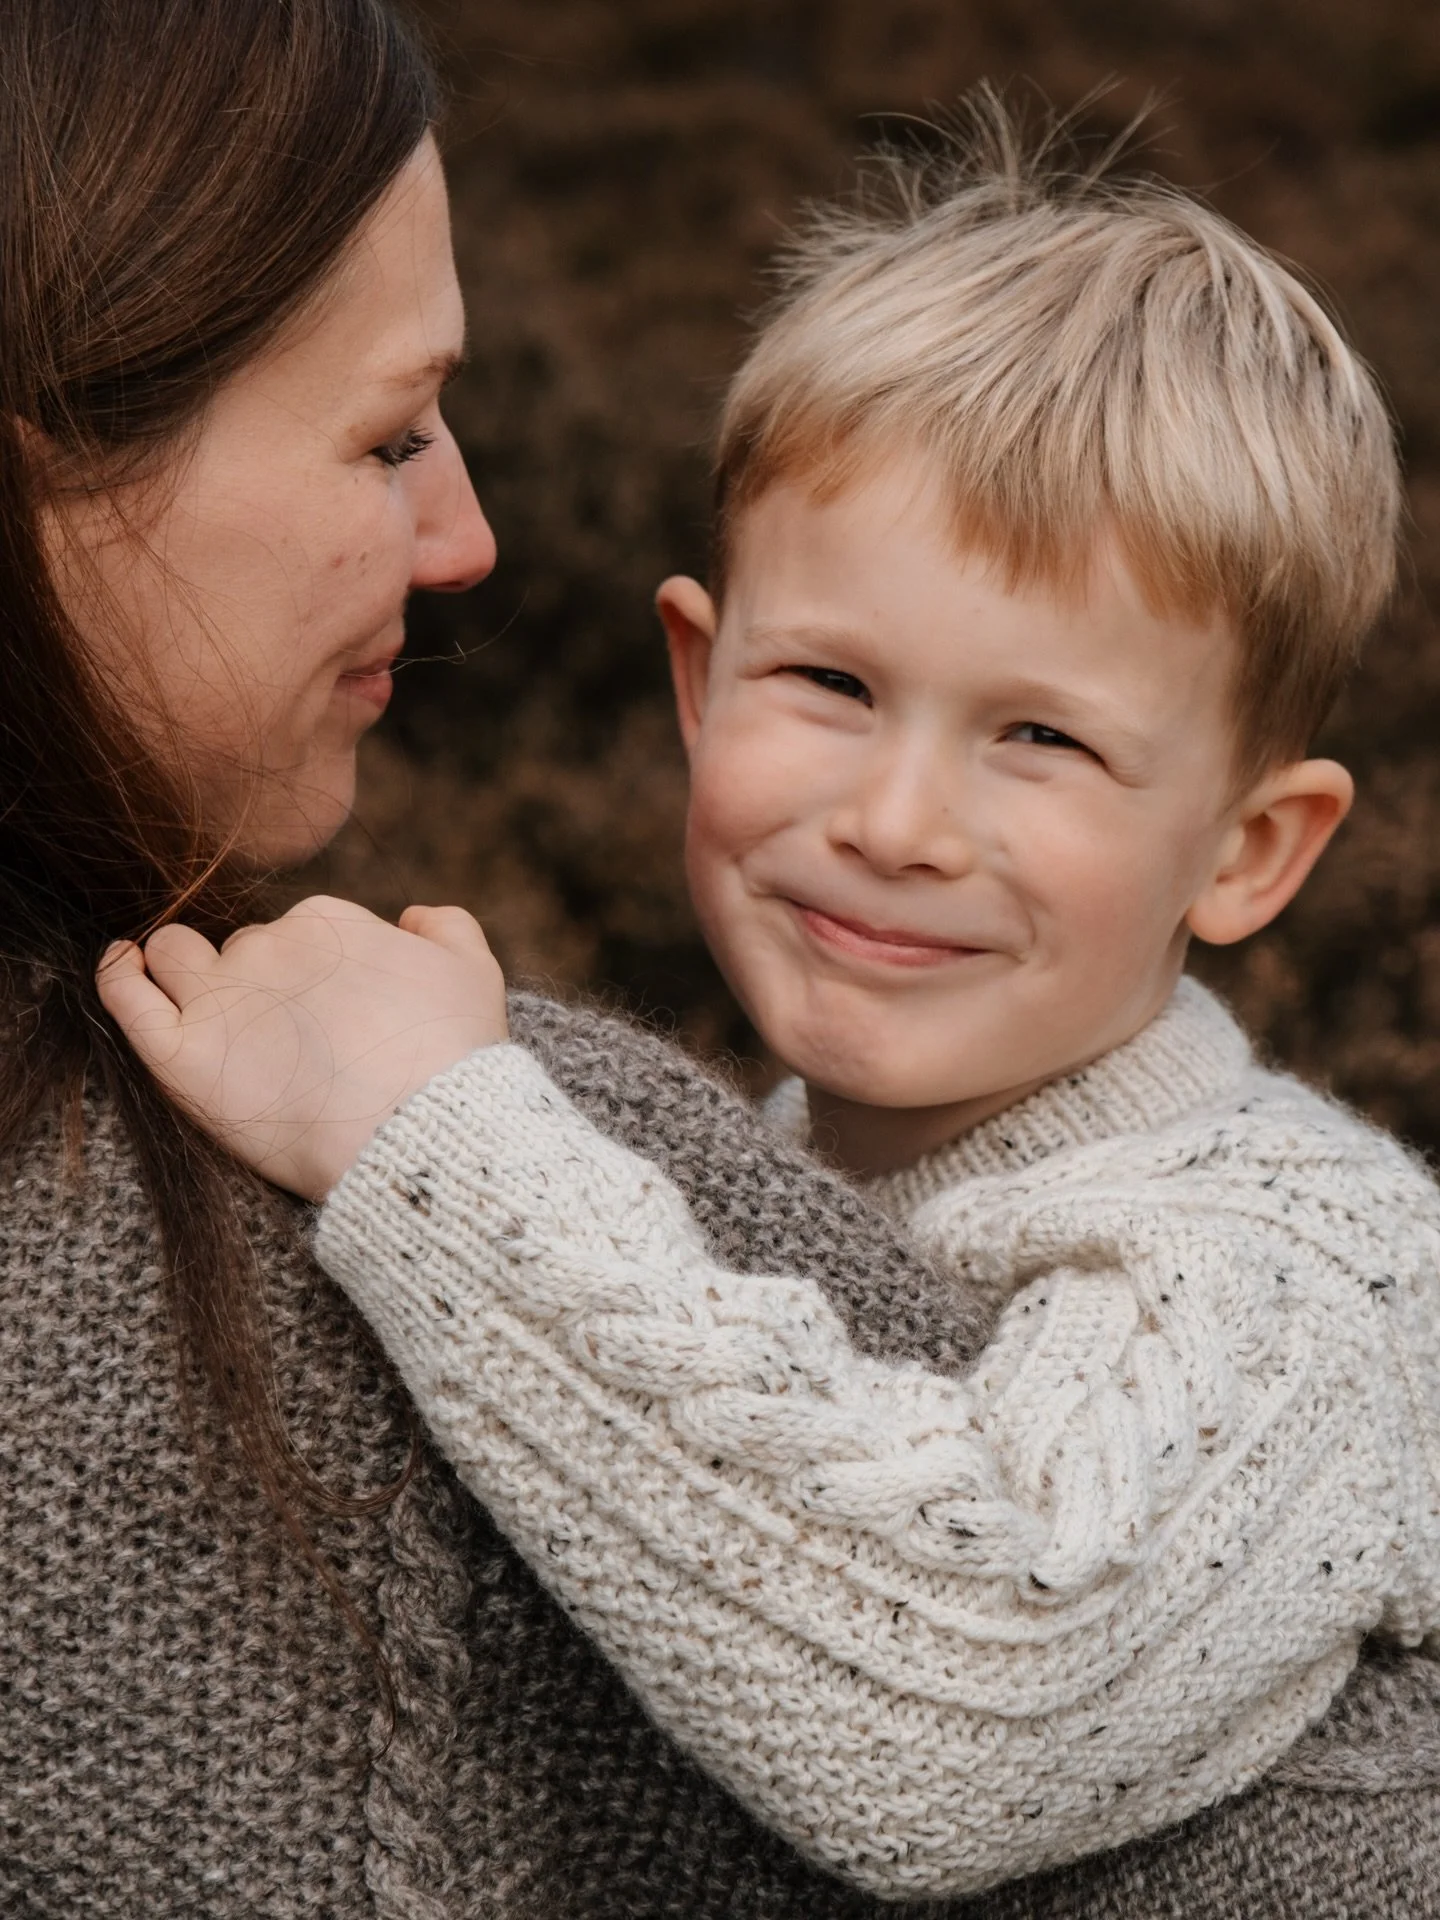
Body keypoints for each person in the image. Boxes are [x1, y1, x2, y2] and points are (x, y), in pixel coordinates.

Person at [101, 99, 1440, 1913]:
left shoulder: (1309, 1271)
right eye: (828, 681)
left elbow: (971, 1713)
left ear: (1251, 848)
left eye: (1040, 736)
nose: (894, 823)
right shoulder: (773, 1161)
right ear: (696, 676)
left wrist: (436, 1144)